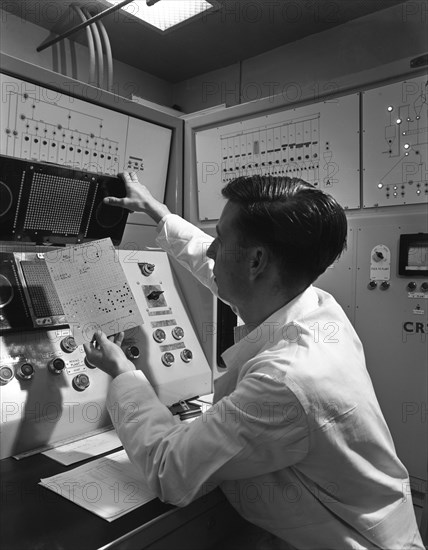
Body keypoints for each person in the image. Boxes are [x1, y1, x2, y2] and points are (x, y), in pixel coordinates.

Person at [84, 172, 424, 550]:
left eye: (222, 239)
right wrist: (159, 213)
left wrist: (123, 373)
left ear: (257, 261)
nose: (212, 250)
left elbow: (169, 470)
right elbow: (219, 269)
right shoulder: (313, 305)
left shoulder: (288, 379)